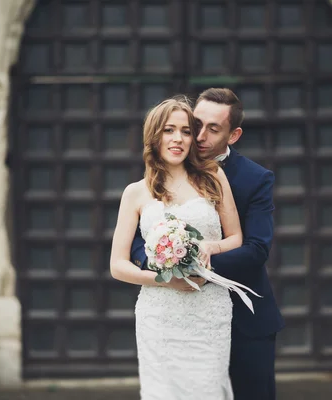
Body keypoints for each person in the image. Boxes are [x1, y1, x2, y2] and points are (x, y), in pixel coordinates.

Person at [131, 88, 285, 400]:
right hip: (175, 315)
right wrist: (163, 263)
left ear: (233, 134)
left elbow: (255, 249)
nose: (198, 136)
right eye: (194, 124)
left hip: (242, 317)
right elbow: (139, 236)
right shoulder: (165, 168)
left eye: (213, 128)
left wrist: (193, 265)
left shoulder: (255, 178)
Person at [110, 96, 243, 399]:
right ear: (154, 135)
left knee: (209, 388)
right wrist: (165, 280)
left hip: (208, 310)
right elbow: (118, 265)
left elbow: (236, 238)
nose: (178, 139)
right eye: (169, 130)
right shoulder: (135, 193)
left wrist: (212, 246)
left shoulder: (213, 177)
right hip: (159, 316)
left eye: (185, 131)